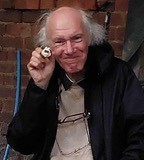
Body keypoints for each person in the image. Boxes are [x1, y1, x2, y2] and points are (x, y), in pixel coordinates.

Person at [6, 7, 144, 160]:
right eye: (59, 41)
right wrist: (39, 87)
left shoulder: (119, 75)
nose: (69, 50)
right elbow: (21, 143)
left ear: (89, 38)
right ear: (48, 46)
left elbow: (139, 136)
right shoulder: (47, 77)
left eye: (77, 38)